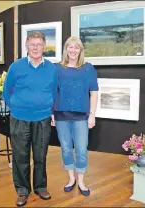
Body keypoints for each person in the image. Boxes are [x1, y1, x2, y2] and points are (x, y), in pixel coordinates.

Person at [3, 31, 58, 207]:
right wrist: (16, 107)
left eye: (39, 44)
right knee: (20, 155)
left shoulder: (51, 68)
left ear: (44, 47)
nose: (35, 47)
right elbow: (7, 90)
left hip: (42, 118)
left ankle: (40, 186)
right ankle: (22, 190)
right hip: (19, 118)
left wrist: (51, 111)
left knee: (41, 154)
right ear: (26, 46)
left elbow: (54, 91)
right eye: (32, 44)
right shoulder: (16, 67)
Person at [52, 36, 98, 196]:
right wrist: (52, 113)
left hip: (81, 117)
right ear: (66, 49)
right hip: (61, 115)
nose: (73, 50)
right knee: (65, 149)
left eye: (76, 47)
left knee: (81, 149)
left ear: (81, 50)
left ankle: (81, 181)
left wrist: (92, 115)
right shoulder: (56, 68)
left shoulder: (88, 68)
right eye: (70, 47)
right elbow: (52, 92)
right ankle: (71, 178)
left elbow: (94, 93)